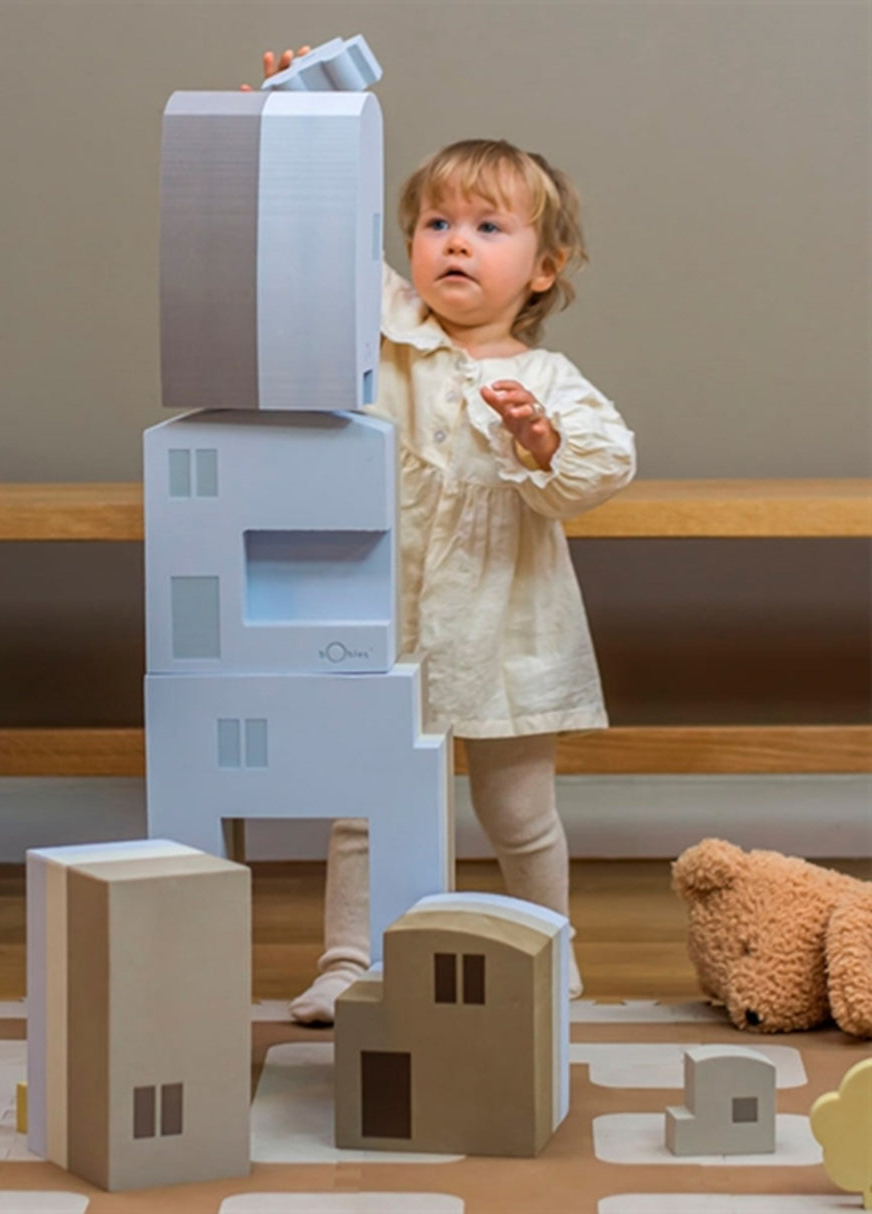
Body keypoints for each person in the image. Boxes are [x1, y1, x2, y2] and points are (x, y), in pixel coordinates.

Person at [251, 49, 637, 1024]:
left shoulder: (547, 379)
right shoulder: (386, 330)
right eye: (435, 223)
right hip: (389, 624)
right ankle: (348, 960)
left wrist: (539, 441)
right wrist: (308, 114)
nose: (453, 243)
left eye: (486, 226)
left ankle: (549, 953)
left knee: (517, 814)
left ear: (541, 267)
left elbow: (602, 465)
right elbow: (318, 231)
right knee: (365, 805)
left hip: (507, 630)